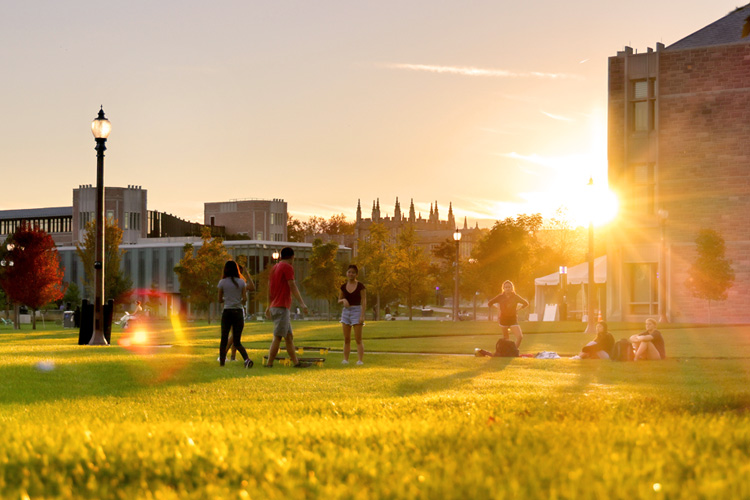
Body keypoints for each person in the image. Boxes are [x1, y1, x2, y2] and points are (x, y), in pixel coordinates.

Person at [265, 247, 309, 367]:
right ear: (292, 257)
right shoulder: (287, 267)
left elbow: (269, 288)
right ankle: (269, 363)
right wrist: (302, 303)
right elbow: (292, 285)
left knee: (289, 337)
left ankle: (296, 363)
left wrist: (269, 306)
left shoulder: (275, 268)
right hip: (281, 306)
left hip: (276, 306)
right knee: (278, 336)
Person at [218, 260, 254, 368]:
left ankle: (222, 363)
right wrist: (237, 300)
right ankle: (247, 359)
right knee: (237, 341)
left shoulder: (222, 282)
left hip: (227, 312)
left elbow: (219, 300)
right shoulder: (241, 282)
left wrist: (228, 299)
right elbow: (245, 299)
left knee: (224, 339)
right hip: (238, 312)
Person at [338, 264, 366, 365]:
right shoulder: (343, 286)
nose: (351, 274)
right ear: (346, 273)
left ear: (356, 274)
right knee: (346, 338)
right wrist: (343, 300)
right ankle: (345, 359)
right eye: (349, 272)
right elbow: (339, 300)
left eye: (353, 272)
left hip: (357, 311)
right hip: (346, 312)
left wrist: (362, 315)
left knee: (358, 338)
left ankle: (360, 360)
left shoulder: (360, 286)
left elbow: (364, 300)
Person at [487, 280, 529, 348]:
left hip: (513, 319)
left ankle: (514, 350)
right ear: (503, 288)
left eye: (509, 287)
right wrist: (498, 308)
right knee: (506, 339)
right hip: (503, 319)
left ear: (512, 288)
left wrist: (518, 309)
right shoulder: (500, 297)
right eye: (506, 287)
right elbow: (490, 303)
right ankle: (508, 352)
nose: (507, 288)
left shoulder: (515, 296)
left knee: (519, 336)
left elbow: (526, 303)